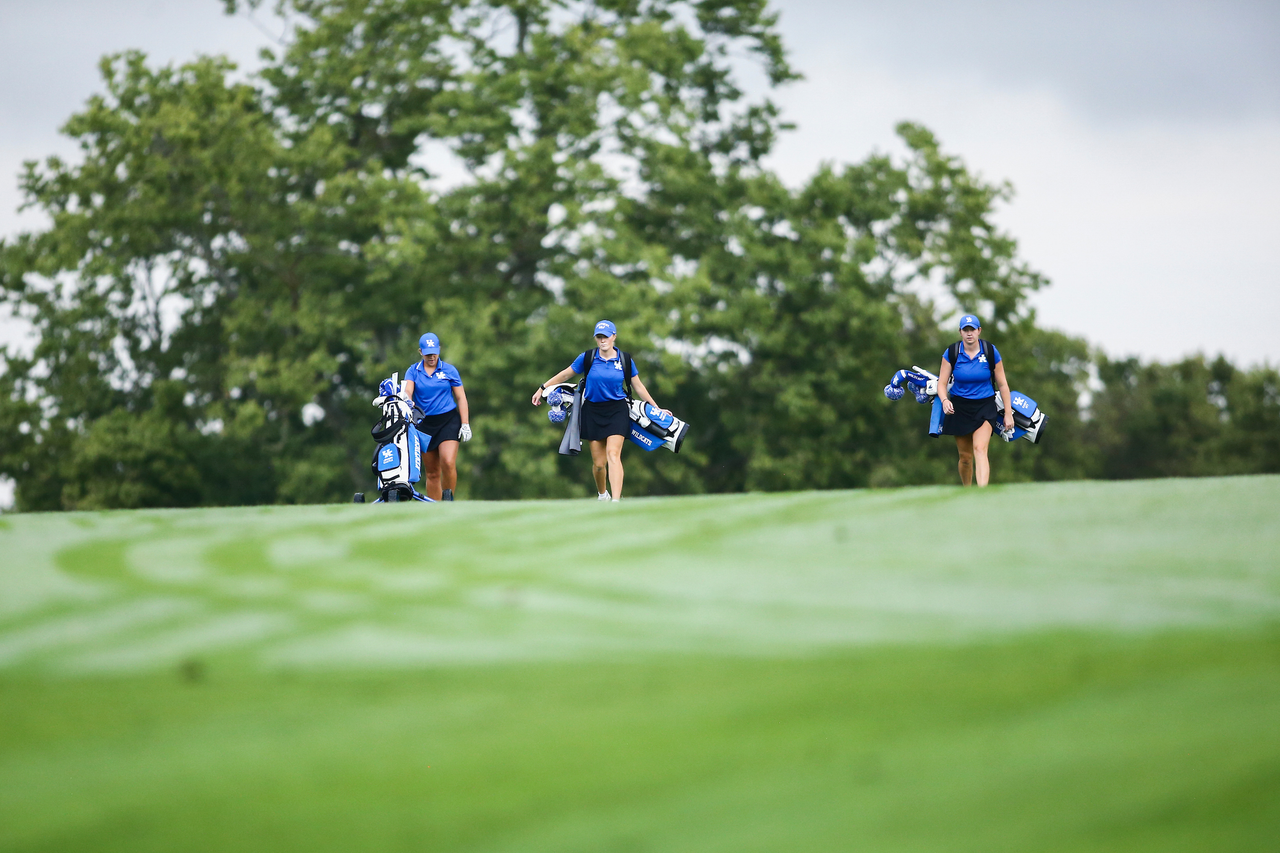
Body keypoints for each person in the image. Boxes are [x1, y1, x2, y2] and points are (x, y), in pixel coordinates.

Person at [531, 320, 667, 502]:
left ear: (614, 337)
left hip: (617, 410)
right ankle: (603, 494)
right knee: (599, 464)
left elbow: (639, 387)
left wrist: (657, 409)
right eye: (599, 337)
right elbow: (565, 374)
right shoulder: (587, 358)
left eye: (606, 336)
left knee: (613, 454)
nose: (603, 340)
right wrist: (542, 388)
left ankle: (616, 501)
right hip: (592, 411)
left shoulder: (625, 360)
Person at [936, 314, 1014, 487]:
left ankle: (982, 493)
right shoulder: (952, 352)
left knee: (980, 449)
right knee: (965, 457)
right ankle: (967, 490)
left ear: (979, 331)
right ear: (960, 332)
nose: (969, 333)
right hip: (959, 407)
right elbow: (941, 384)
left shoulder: (990, 351)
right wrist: (944, 401)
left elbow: (1002, 384)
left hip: (985, 406)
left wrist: (1008, 413)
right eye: (965, 330)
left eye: (972, 330)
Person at [403, 333, 471, 501]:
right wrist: (407, 400)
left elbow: (461, 397)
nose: (431, 356)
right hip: (424, 424)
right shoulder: (413, 371)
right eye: (427, 353)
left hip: (448, 420)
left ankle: (449, 501)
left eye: (434, 352)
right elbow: (408, 391)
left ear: (439, 350)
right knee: (432, 472)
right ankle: (435, 507)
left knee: (448, 462)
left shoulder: (449, 370)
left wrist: (465, 423)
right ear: (420, 352)